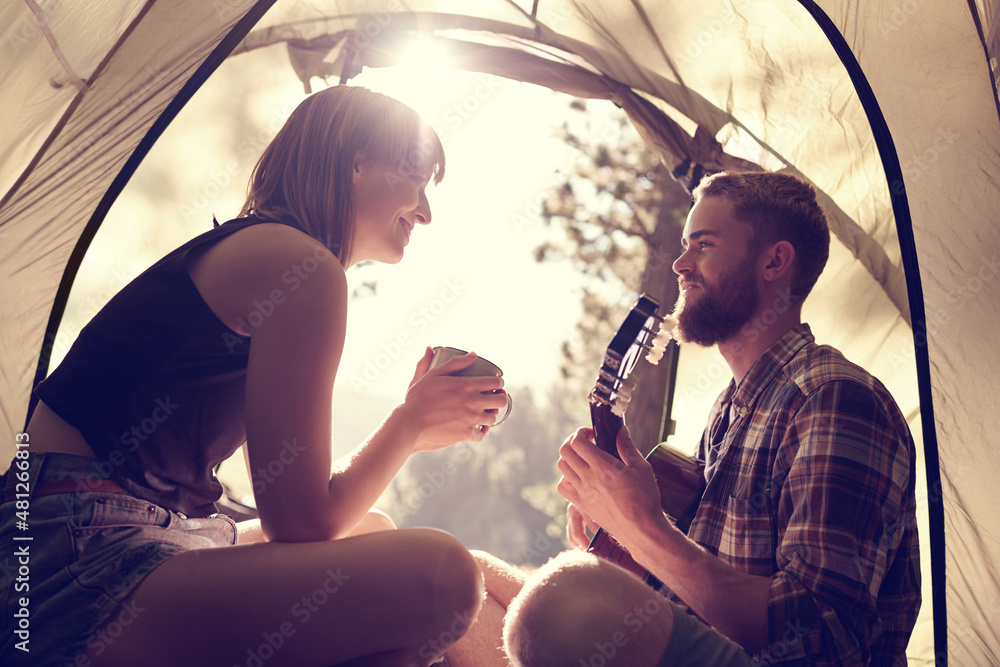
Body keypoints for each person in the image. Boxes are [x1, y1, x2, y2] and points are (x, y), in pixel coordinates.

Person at [0, 85, 512, 666]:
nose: (425, 211)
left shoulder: (266, 254)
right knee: (442, 577)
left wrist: (412, 427)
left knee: (374, 530)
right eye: (416, 179)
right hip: (77, 554)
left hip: (88, 536)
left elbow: (293, 503)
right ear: (355, 163)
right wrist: (409, 424)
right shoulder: (302, 267)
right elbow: (300, 522)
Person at [498, 171, 921, 666]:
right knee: (481, 578)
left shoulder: (836, 401)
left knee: (553, 606)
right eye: (684, 245)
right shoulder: (730, 408)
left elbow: (818, 641)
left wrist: (640, 529)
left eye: (704, 245)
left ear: (774, 261)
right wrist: (616, 532)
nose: (680, 264)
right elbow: (699, 587)